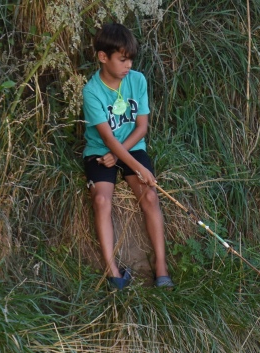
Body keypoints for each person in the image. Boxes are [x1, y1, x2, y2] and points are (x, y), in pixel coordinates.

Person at [82, 22, 173, 290]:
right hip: (100, 151)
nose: (128, 66)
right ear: (103, 57)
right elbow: (108, 138)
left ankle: (161, 268)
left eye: (130, 59)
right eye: (122, 60)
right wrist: (125, 161)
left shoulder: (137, 80)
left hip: (132, 146)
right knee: (100, 199)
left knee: (150, 194)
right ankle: (113, 273)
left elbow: (142, 126)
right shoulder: (92, 91)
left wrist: (129, 162)